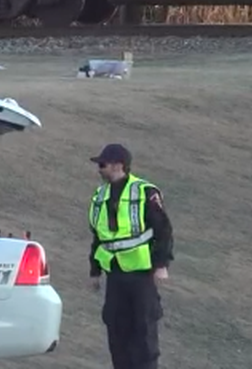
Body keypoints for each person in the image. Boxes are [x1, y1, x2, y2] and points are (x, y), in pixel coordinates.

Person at [88, 144, 174, 369]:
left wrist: (161, 264)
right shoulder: (100, 195)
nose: (99, 169)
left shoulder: (145, 192)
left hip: (140, 275)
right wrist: (95, 271)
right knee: (117, 331)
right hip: (115, 277)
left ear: (118, 165)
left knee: (144, 332)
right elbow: (99, 237)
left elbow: (163, 230)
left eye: (102, 164)